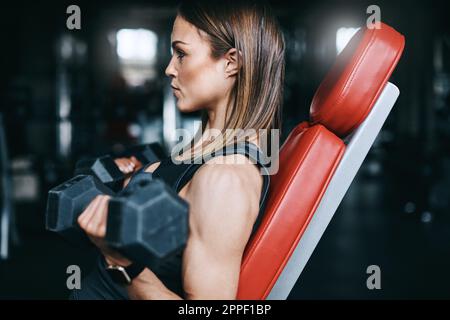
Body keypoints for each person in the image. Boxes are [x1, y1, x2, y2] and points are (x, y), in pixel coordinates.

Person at [70, 0, 285, 300]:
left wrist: (122, 263)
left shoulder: (225, 179)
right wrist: (136, 177)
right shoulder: (205, 148)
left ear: (231, 62)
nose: (169, 68)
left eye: (181, 54)